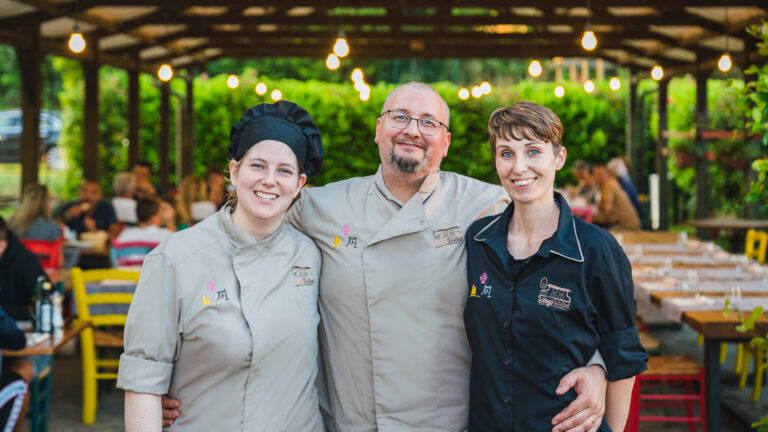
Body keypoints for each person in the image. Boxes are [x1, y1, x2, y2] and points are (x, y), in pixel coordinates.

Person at [118, 100, 325, 431]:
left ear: (299, 185)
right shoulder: (174, 258)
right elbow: (143, 377)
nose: (270, 180)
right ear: (234, 171)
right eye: (258, 165)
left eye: (284, 171)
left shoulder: (312, 255)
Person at [464, 102, 648, 431]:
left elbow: (624, 358)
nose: (519, 167)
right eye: (506, 153)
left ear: (558, 158)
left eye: (533, 151)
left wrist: (600, 375)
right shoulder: (478, 241)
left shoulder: (596, 250)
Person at [592, 165, 641, 230]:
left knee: (600, 233)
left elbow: (607, 209)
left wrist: (596, 209)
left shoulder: (608, 184)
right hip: (629, 222)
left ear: (608, 174)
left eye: (600, 174)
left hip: (626, 225)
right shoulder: (611, 183)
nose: (597, 177)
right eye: (596, 175)